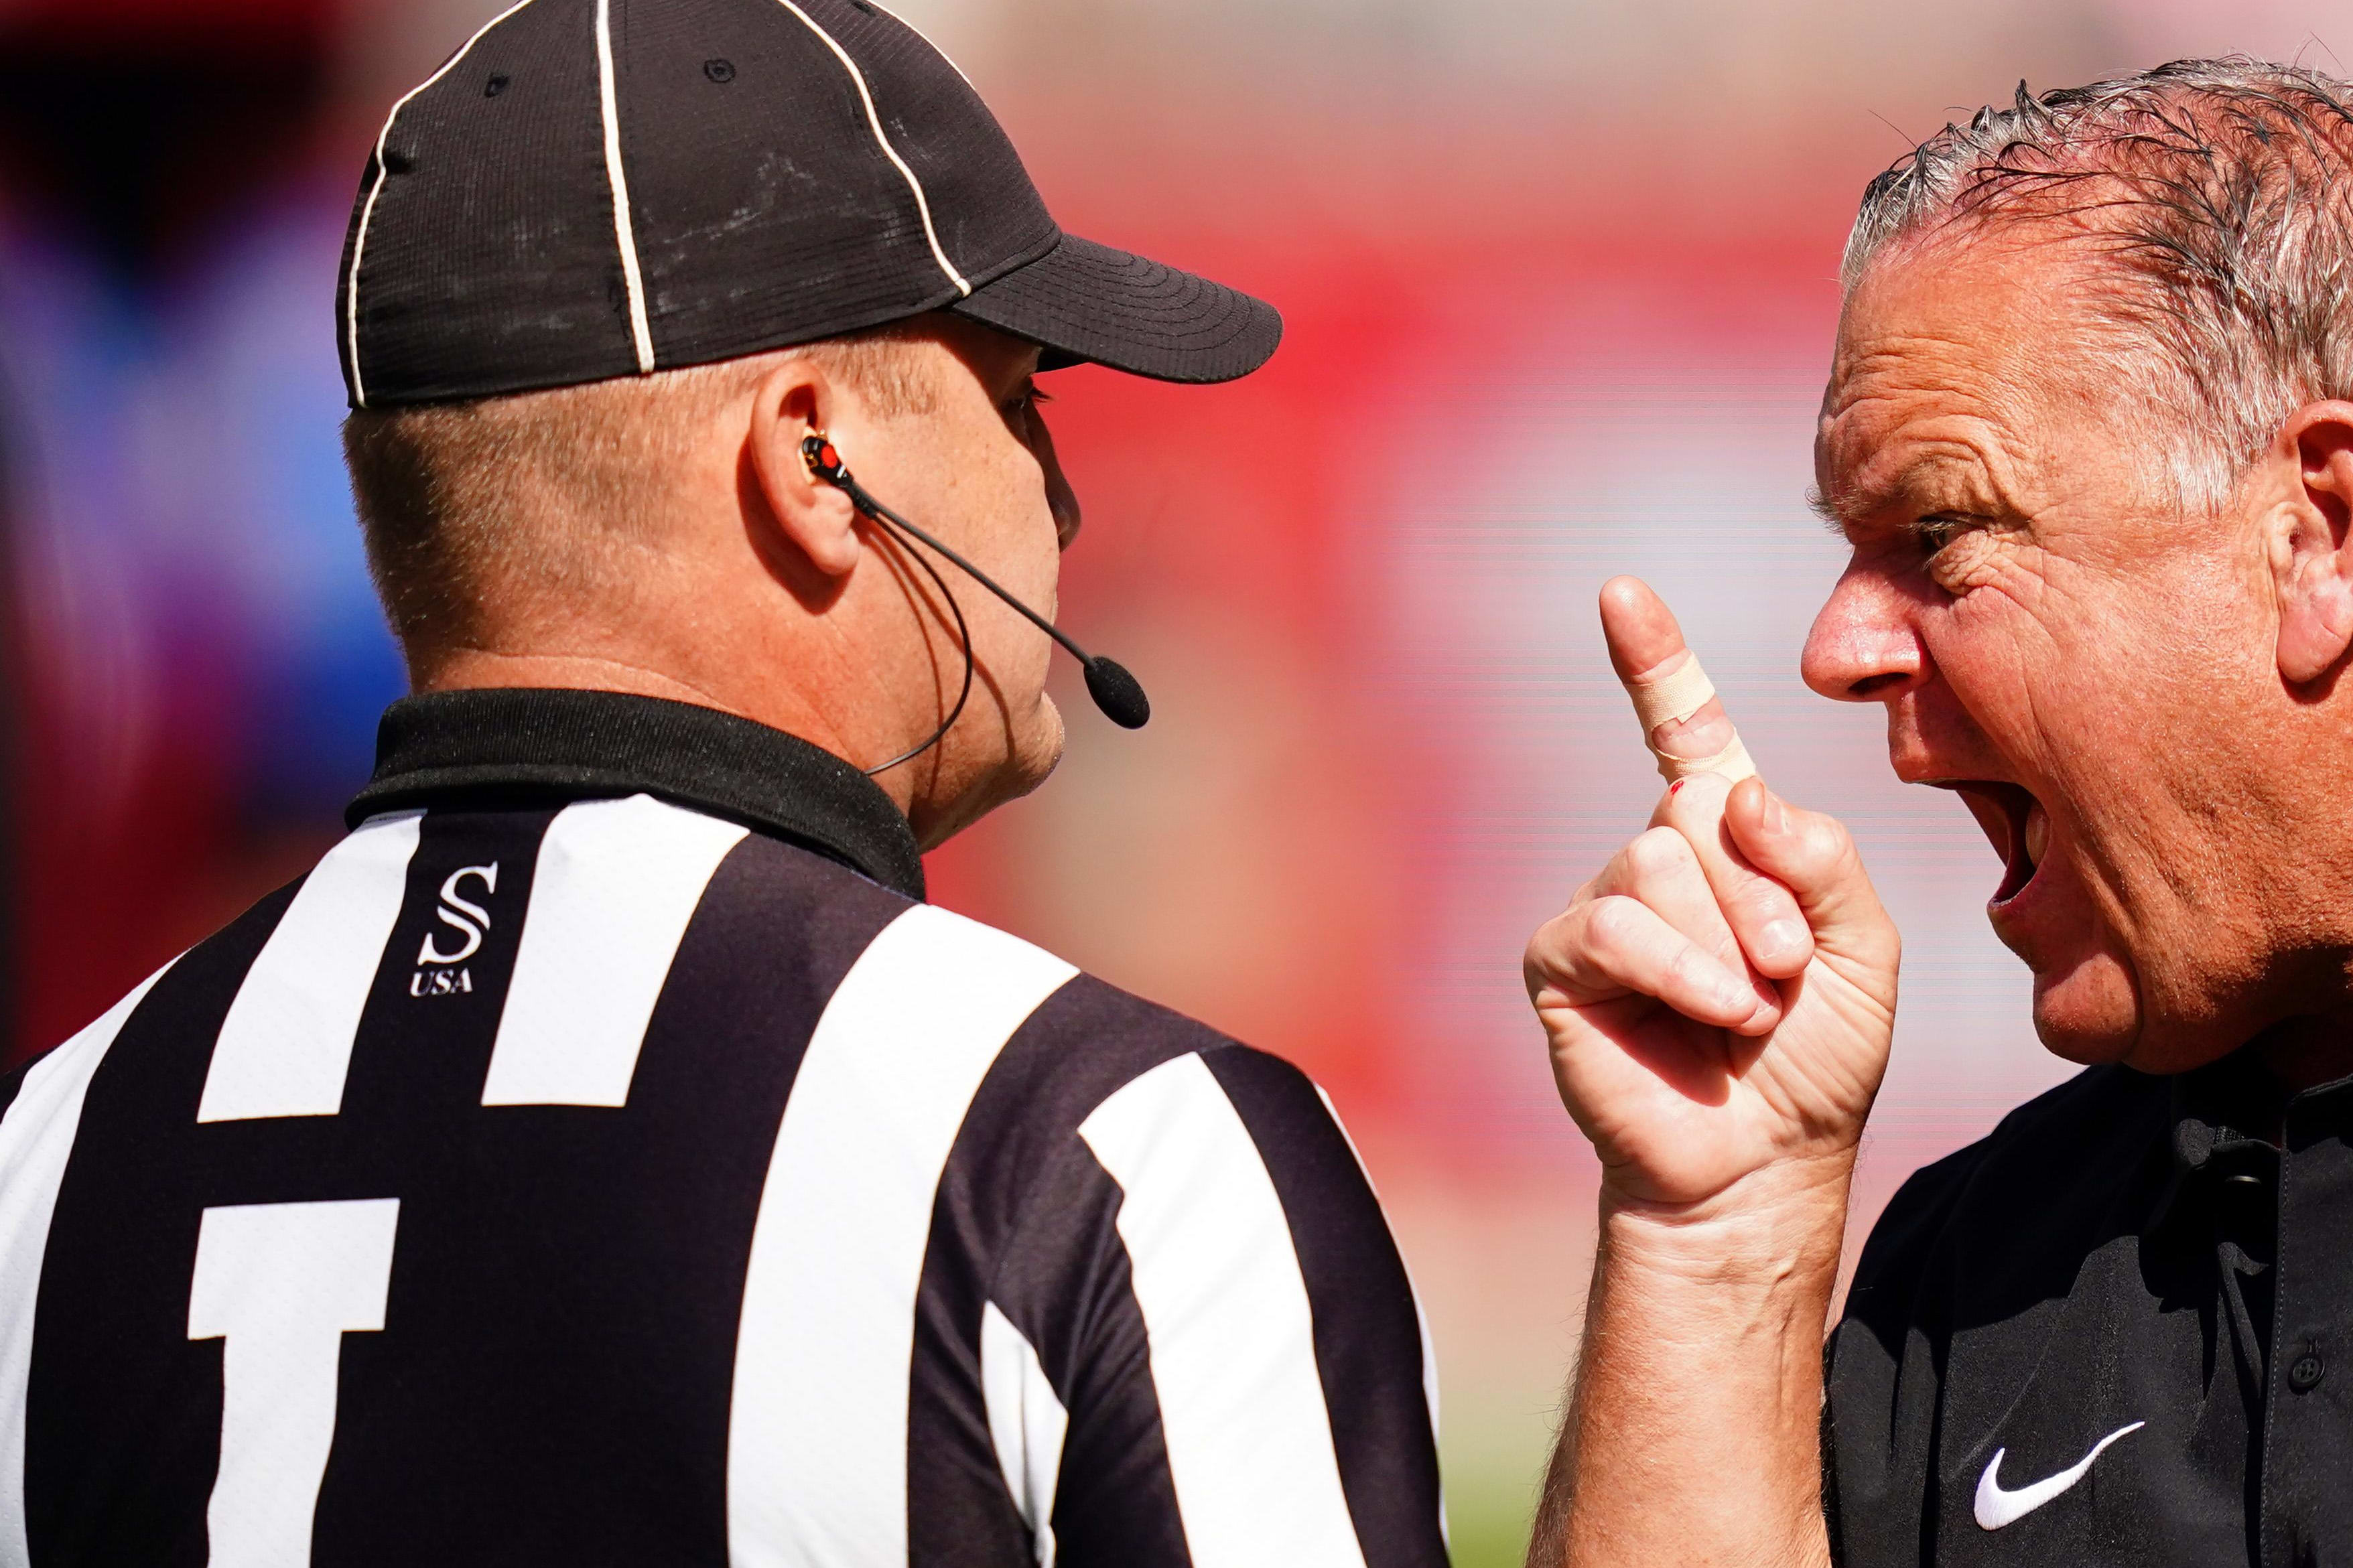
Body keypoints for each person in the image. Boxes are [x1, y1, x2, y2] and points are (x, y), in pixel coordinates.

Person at [0, 4, 1445, 1565]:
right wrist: (1708, 1262)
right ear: (814, 457)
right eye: (1025, 400)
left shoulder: (40, 1161)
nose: (1059, 498)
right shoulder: (1096, 1150)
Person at [1523, 58, 2353, 1567]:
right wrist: (1712, 1241)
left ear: (2317, 530)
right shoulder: (1986, 1265)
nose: (1833, 650)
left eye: (1937, 532)